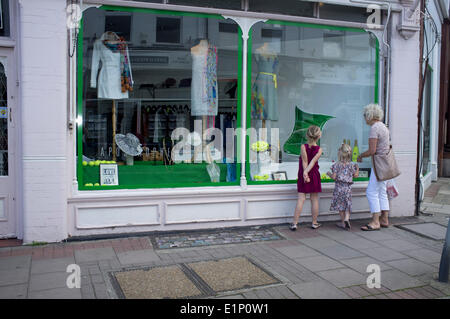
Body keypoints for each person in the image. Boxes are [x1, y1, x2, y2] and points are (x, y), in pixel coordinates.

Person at [357, 103, 391, 231]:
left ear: (370, 115)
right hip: (386, 164)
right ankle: (384, 219)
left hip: (379, 165)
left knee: (371, 192)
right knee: (382, 191)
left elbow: (372, 150)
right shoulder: (383, 126)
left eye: (365, 115)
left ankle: (375, 221)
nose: (364, 118)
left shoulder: (374, 128)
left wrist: (361, 156)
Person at [290, 125, 323, 231]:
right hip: (313, 175)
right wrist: (307, 173)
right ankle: (314, 222)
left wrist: (304, 173)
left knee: (301, 199)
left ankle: (294, 223)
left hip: (303, 174)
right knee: (314, 199)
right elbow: (313, 162)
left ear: (307, 135)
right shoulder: (319, 149)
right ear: (319, 136)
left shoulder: (303, 146)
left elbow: (304, 161)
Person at [327, 143, 359, 230]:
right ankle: (346, 218)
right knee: (347, 205)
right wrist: (357, 169)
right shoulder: (351, 165)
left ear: (339, 154)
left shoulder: (336, 165)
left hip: (339, 189)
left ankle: (343, 223)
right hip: (347, 189)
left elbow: (334, 177)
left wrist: (329, 173)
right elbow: (355, 175)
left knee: (341, 207)